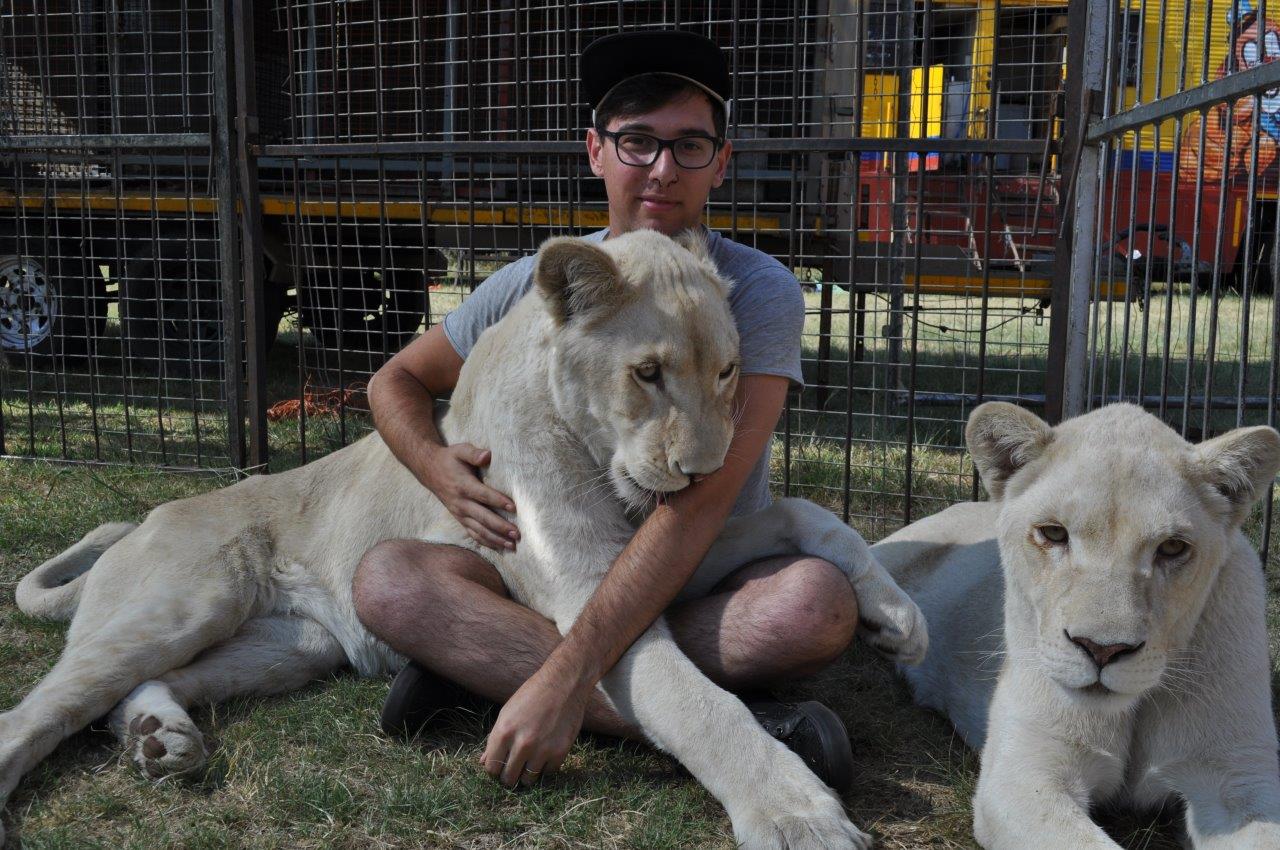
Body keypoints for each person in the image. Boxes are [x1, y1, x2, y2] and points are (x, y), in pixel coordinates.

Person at [352, 30, 861, 794]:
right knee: (389, 579)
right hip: (555, 570)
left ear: (722, 161)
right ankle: (725, 721)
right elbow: (393, 381)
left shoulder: (752, 289)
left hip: (693, 562)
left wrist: (566, 675)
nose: (662, 169)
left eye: (690, 145)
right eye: (637, 143)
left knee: (812, 609)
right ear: (595, 151)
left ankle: (485, 678)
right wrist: (437, 467)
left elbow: (698, 504)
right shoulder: (538, 283)